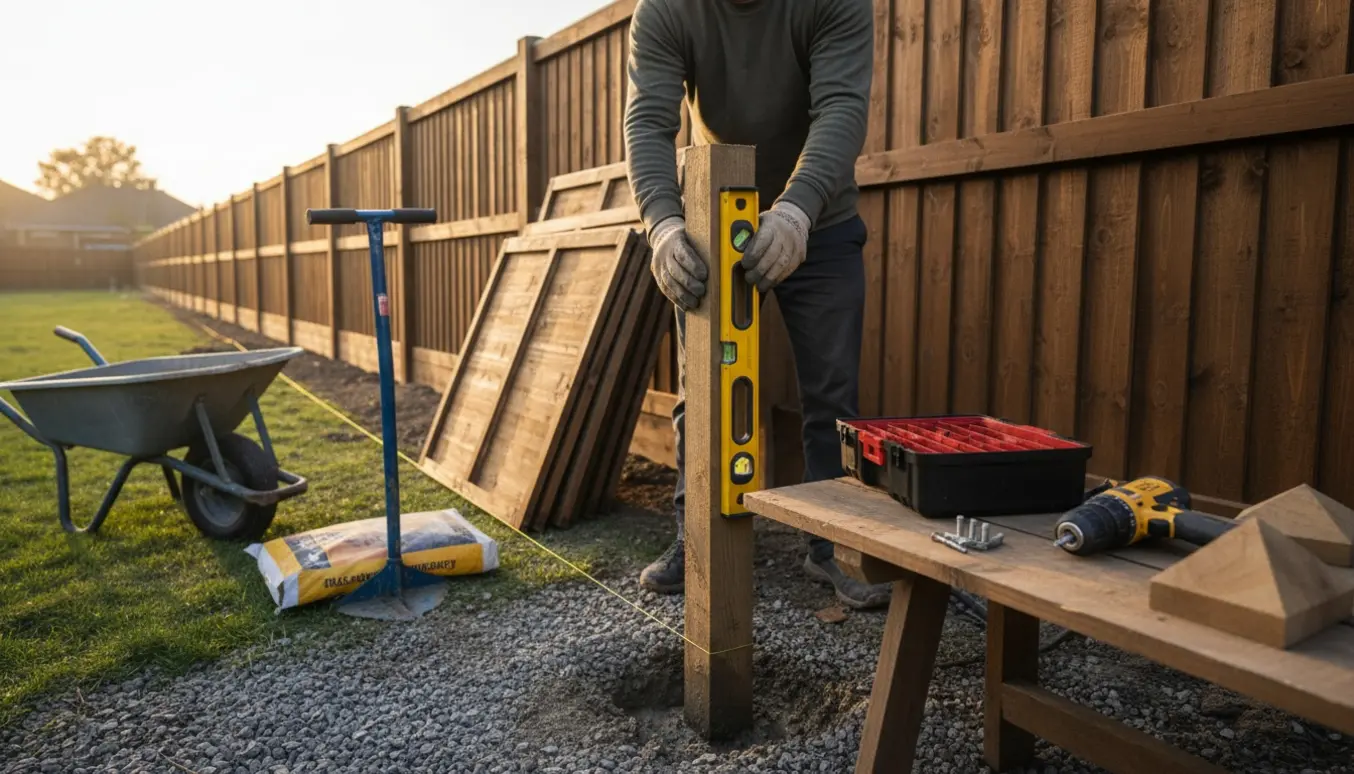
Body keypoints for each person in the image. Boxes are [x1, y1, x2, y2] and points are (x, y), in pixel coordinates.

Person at [623, 0, 890, 610]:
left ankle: (831, 546)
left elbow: (841, 109)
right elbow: (647, 123)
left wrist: (797, 210)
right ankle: (697, 538)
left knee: (831, 392)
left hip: (819, 221)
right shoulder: (665, 10)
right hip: (716, 217)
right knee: (705, 388)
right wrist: (663, 225)